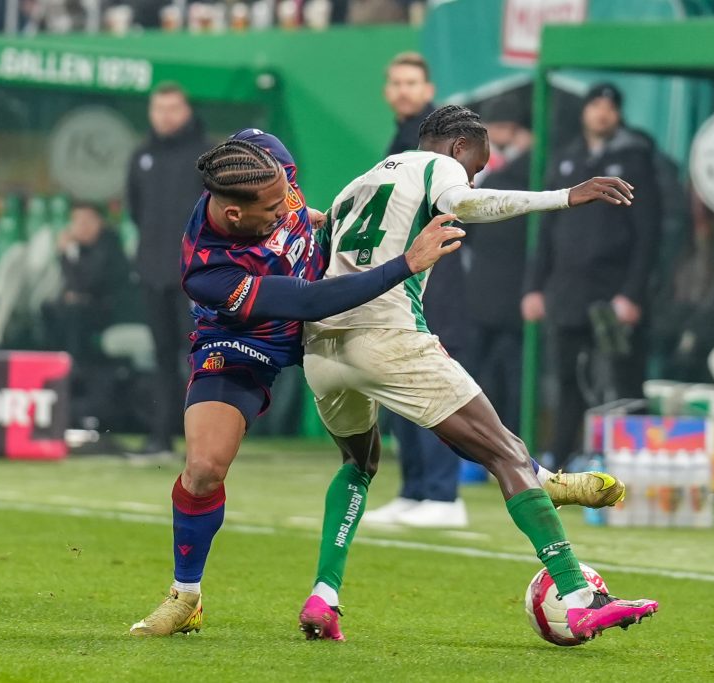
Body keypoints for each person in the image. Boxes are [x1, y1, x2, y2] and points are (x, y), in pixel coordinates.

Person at [298, 105, 653, 645]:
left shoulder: (357, 186)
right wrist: (564, 196)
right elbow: (467, 203)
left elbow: (320, 265)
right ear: (459, 146)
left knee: (358, 463)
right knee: (505, 453)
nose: (475, 176)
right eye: (476, 166)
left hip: (322, 349)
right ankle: (579, 597)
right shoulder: (439, 167)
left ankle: (323, 596)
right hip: (386, 335)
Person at [128, 129, 467, 636]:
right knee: (203, 469)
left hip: (328, 327)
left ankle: (507, 477)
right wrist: (408, 263)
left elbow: (257, 162)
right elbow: (308, 301)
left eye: (287, 196)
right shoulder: (208, 271)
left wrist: (305, 217)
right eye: (272, 209)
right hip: (245, 341)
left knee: (367, 449)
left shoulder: (261, 158)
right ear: (235, 214)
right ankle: (186, 596)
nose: (285, 210)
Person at [522, 82, 660, 469]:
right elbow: (546, 228)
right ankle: (561, 458)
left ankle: (632, 463)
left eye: (609, 107)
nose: (602, 113)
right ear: (584, 111)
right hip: (568, 291)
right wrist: (534, 287)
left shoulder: (635, 160)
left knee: (621, 379)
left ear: (619, 114)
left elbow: (648, 235)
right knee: (568, 378)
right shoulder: (567, 159)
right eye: (595, 105)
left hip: (612, 294)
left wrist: (632, 294)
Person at [365, 51, 469, 528]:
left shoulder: (442, 140)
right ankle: (415, 490)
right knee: (399, 379)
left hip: (436, 278)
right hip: (403, 277)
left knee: (433, 381)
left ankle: (444, 495)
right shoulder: (401, 137)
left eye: (412, 82)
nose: (404, 90)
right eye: (397, 82)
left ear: (428, 90)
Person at [126, 82, 211, 457]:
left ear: (187, 110)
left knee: (199, 357)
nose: (166, 116)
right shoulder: (141, 156)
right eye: (159, 109)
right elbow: (135, 210)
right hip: (153, 272)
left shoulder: (207, 156)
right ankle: (160, 436)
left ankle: (203, 441)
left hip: (196, 275)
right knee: (161, 356)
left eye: (173, 108)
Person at [463, 87, 534, 433]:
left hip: (509, 294)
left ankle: (500, 444)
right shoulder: (483, 172)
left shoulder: (521, 170)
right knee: (486, 374)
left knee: (507, 377)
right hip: (486, 294)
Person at [41, 203, 130, 426]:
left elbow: (86, 283)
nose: (79, 227)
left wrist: (68, 253)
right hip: (86, 312)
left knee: (74, 315)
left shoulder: (109, 245)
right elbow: (74, 286)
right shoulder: (83, 249)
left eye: (85, 221)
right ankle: (57, 371)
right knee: (50, 310)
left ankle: (74, 372)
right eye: (76, 222)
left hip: (112, 313)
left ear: (98, 223)